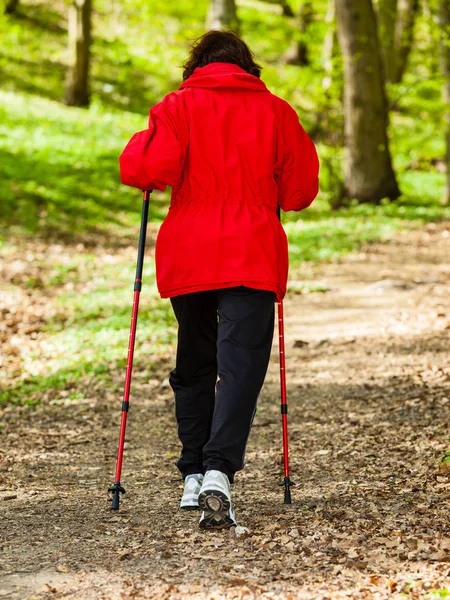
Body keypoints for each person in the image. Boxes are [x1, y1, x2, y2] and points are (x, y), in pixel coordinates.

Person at [119, 30, 319, 529]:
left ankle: (193, 471)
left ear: (196, 66)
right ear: (247, 66)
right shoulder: (276, 111)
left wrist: (142, 143)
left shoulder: (175, 107)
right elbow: (299, 192)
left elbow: (149, 170)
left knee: (195, 359)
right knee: (242, 363)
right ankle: (218, 471)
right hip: (252, 249)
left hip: (190, 250)